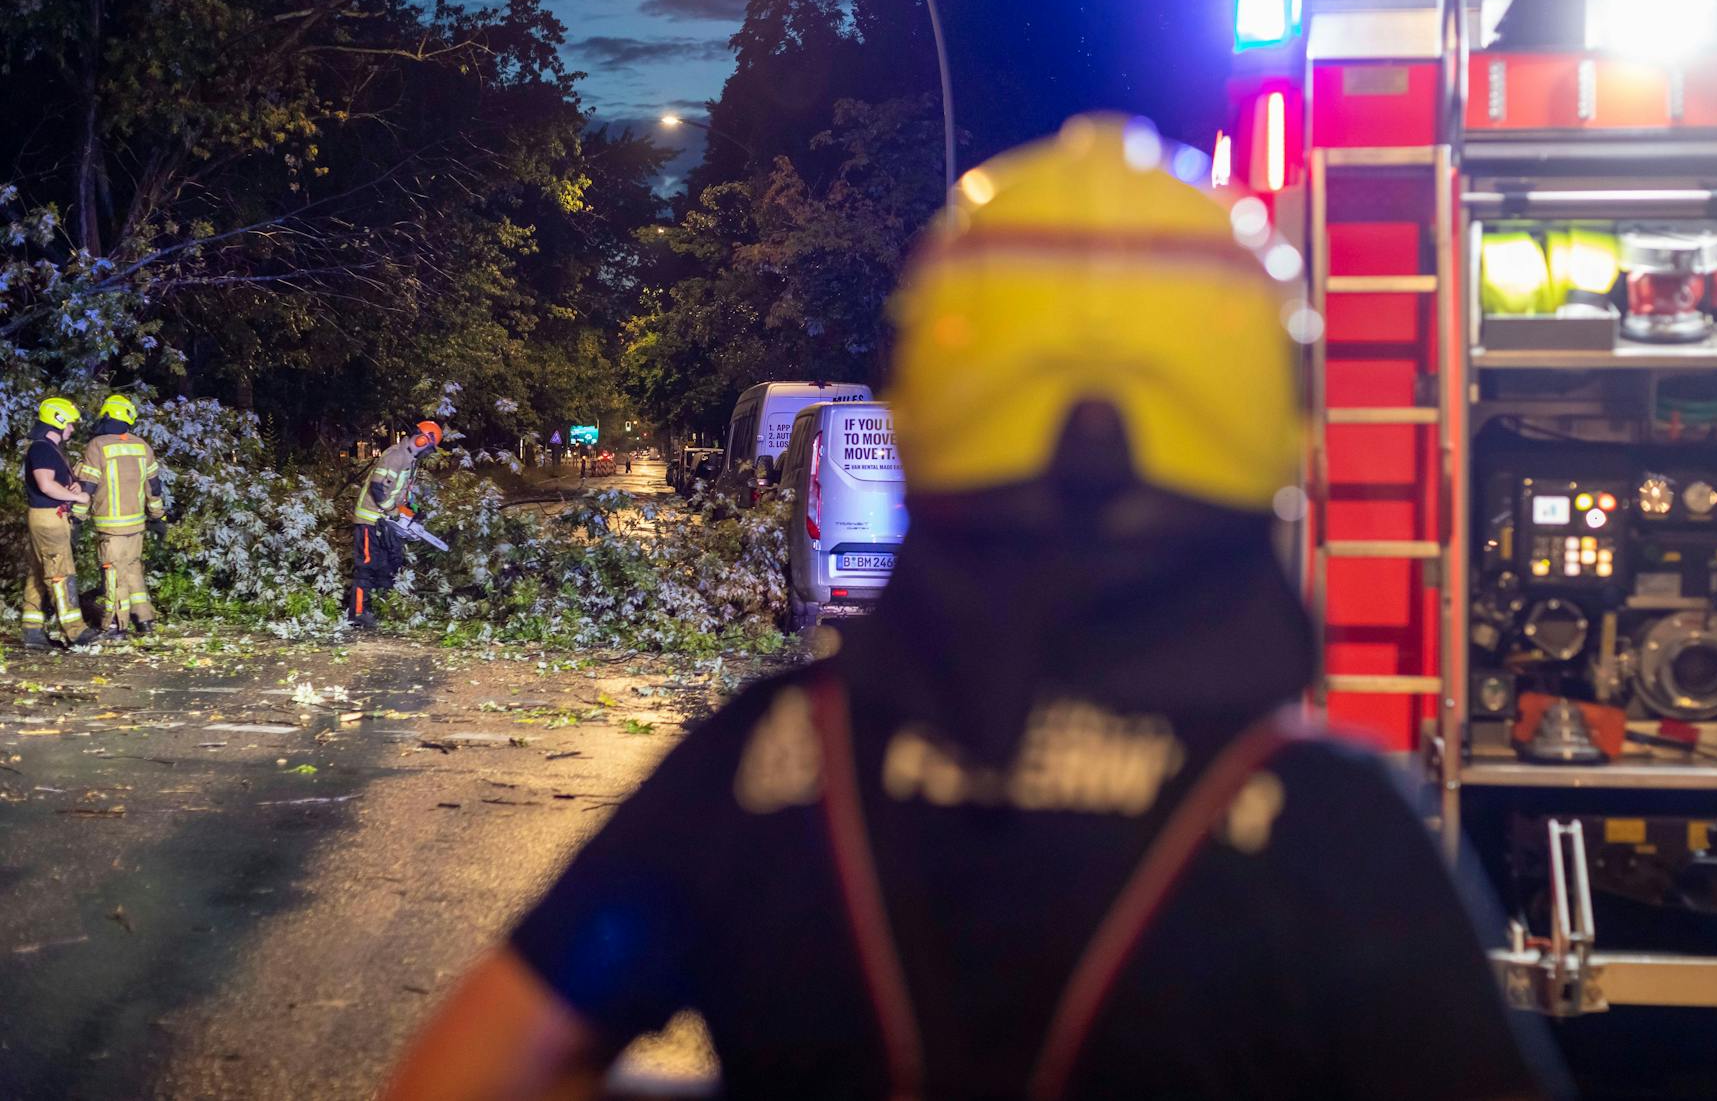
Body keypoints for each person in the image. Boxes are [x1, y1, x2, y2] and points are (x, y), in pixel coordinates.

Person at [384, 117, 1563, 1100]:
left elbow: (468, 1074)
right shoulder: (1322, 827)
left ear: (930, 401)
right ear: (1271, 418)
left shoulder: (771, 768)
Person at [72, 394, 167, 638]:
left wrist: (76, 519)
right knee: (133, 570)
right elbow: (153, 488)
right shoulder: (141, 446)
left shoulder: (98, 445)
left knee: (113, 575)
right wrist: (158, 517)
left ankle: (114, 626)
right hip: (137, 525)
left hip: (110, 527)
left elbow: (88, 486)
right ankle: (144, 622)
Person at [348, 421, 443, 630]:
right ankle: (357, 613)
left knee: (387, 565)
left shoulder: (408, 461)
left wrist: (412, 507)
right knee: (366, 566)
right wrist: (392, 510)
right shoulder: (396, 456)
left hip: (383, 521)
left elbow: (398, 491)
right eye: (428, 448)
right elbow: (377, 487)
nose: (427, 453)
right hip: (369, 519)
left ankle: (382, 607)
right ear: (422, 440)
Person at [20, 396, 97, 650]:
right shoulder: (42, 448)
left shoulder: (49, 449)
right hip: (49, 519)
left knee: (38, 574)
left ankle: (33, 632)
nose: (73, 429)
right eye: (71, 424)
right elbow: (45, 484)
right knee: (60, 574)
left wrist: (70, 485)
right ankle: (76, 632)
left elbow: (54, 482)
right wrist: (78, 495)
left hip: (48, 517)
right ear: (58, 421)